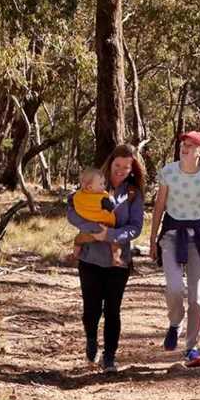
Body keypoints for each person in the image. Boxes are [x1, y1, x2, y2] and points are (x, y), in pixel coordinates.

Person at [67, 145, 145, 373]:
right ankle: (91, 338)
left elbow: (136, 227)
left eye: (126, 167)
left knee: (113, 309)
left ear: (132, 169)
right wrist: (92, 230)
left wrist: (110, 235)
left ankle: (110, 356)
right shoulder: (93, 184)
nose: (121, 170)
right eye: (117, 165)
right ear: (110, 163)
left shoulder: (133, 194)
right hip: (91, 258)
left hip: (118, 261)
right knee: (91, 309)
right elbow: (72, 211)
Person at [148, 131, 200, 368]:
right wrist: (152, 240)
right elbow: (159, 207)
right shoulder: (168, 172)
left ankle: (192, 348)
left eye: (191, 145)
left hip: (199, 240)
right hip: (171, 236)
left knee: (198, 298)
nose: (185, 146)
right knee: (173, 288)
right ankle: (174, 322)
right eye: (184, 143)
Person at [70, 167, 123, 266]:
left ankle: (75, 255)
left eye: (104, 183)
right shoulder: (103, 198)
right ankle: (116, 258)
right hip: (105, 226)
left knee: (78, 240)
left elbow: (71, 202)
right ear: (90, 187)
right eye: (101, 184)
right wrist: (112, 197)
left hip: (88, 228)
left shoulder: (78, 196)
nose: (104, 186)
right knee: (115, 242)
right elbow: (112, 206)